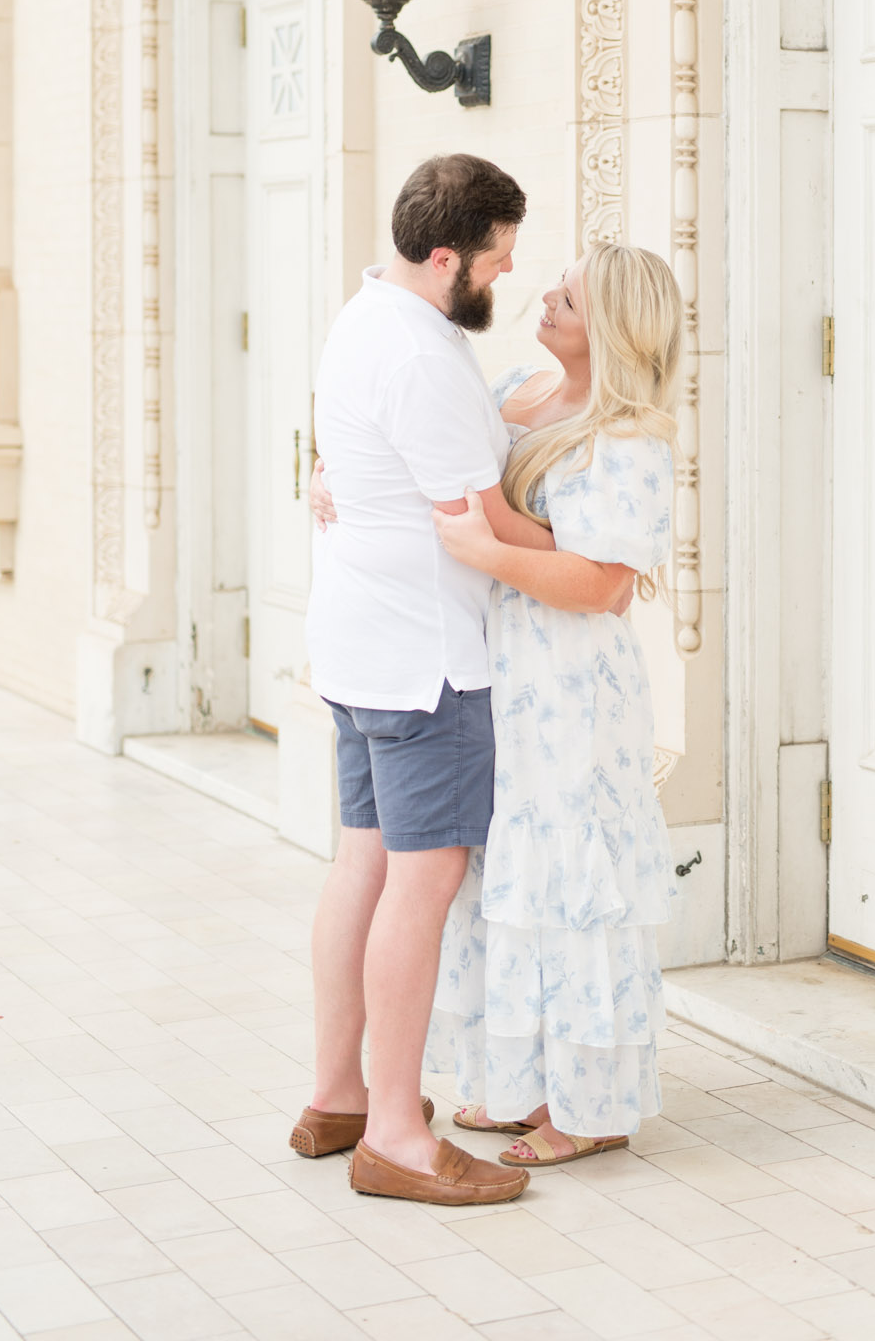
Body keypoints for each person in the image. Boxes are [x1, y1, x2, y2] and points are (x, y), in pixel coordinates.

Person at [316, 244, 681, 1165]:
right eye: (553, 285)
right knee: (499, 880)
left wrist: (487, 555)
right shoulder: (514, 387)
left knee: (569, 882)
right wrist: (342, 478)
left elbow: (602, 583)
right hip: (492, 667)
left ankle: (587, 1108)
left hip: (569, 684)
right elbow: (422, 460)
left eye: (569, 296)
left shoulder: (627, 435)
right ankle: (519, 1085)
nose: (544, 299)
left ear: (617, 328)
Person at [293, 152, 550, 1209]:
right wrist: (588, 554)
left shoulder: (364, 318)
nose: (499, 276)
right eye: (492, 259)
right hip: (424, 661)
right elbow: (478, 522)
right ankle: (397, 1132)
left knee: (361, 865)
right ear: (446, 253)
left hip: (357, 645)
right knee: (422, 885)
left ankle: (338, 1094)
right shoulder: (426, 358)